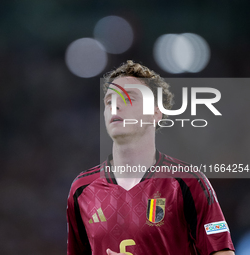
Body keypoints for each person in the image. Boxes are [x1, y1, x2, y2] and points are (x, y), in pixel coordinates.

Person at [66, 60, 235, 255]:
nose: (116, 106)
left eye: (129, 98)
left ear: (156, 112)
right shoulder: (82, 189)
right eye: (109, 101)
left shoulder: (187, 182)